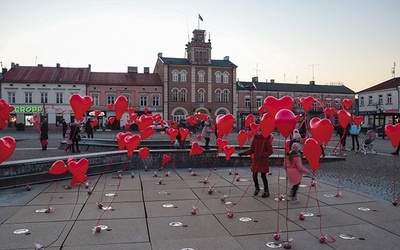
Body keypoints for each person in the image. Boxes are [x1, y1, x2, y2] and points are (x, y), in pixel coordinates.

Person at [238, 127, 273, 198]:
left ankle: (266, 190)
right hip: (256, 160)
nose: (258, 132)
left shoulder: (266, 140)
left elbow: (270, 151)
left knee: (263, 176)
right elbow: (252, 149)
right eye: (258, 130)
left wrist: (263, 155)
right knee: (254, 175)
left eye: (260, 131)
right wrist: (244, 153)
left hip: (263, 160)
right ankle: (257, 188)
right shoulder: (255, 139)